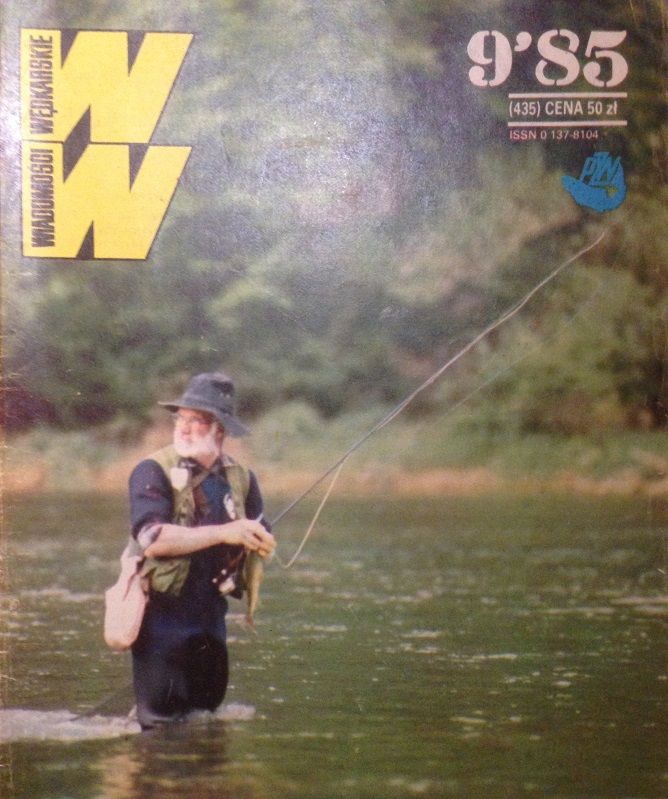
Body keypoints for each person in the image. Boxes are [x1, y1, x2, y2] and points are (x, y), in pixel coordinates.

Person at [128, 371, 276, 730]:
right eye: (181, 418)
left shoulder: (243, 478)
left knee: (207, 721)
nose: (184, 427)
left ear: (220, 430)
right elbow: (153, 539)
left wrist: (261, 540)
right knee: (159, 729)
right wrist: (227, 532)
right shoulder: (151, 471)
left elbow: (260, 533)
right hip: (161, 621)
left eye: (197, 420)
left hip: (212, 621)